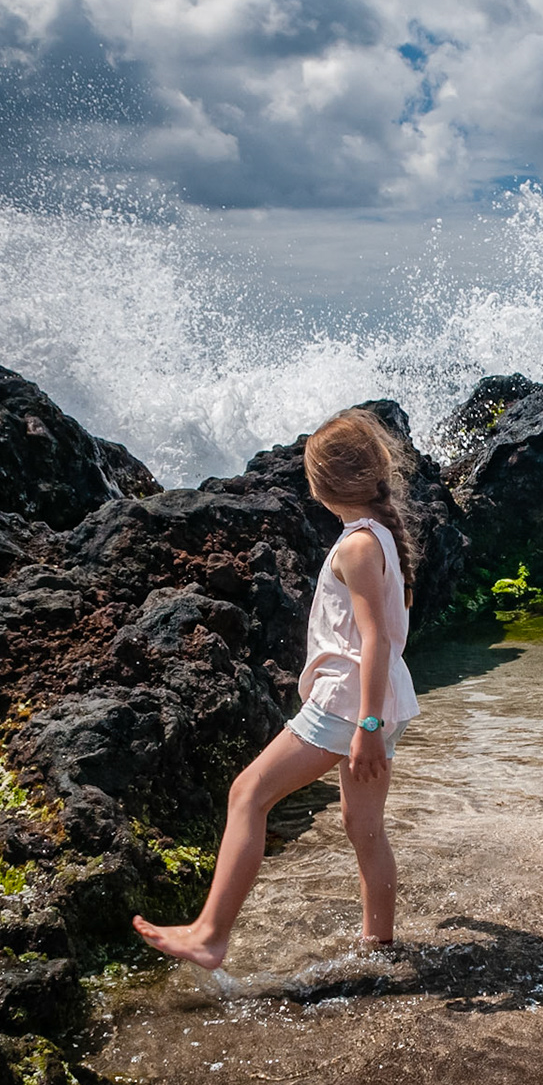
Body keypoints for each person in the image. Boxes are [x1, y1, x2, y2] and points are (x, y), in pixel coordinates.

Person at [133, 407, 423, 969]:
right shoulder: (381, 535)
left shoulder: (359, 545)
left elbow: (374, 641)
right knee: (363, 826)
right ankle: (378, 947)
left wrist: (365, 725)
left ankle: (211, 935)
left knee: (248, 794)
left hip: (350, 701)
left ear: (321, 486)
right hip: (380, 698)